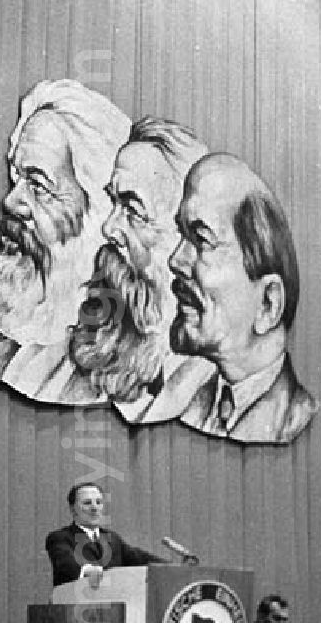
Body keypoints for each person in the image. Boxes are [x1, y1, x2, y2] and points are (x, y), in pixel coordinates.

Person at [0, 79, 131, 405]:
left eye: (38, 185)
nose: (10, 202)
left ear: (100, 216)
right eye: (16, 178)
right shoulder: (4, 356)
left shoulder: (128, 369)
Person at [67, 116, 212, 423]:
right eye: (114, 203)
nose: (110, 228)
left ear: (190, 238)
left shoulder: (213, 386)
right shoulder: (50, 366)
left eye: (133, 210)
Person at [169, 152, 318, 444]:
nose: (176, 260)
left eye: (202, 240)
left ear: (267, 304)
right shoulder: (191, 401)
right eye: (181, 235)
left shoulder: (288, 415)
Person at [45, 481, 166, 588]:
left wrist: (175, 567)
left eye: (98, 502)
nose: (94, 508)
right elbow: (66, 564)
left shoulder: (112, 539)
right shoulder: (60, 538)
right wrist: (88, 570)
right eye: (87, 503)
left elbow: (140, 558)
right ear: (73, 509)